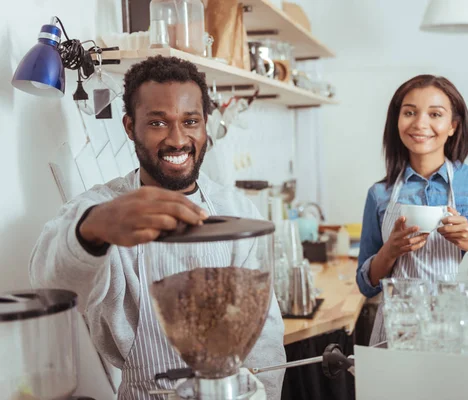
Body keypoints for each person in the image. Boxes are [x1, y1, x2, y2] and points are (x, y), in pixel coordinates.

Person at [29, 56, 286, 399]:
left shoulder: (236, 210)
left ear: (205, 124)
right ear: (129, 126)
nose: (177, 139)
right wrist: (93, 229)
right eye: (157, 123)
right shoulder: (102, 209)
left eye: (190, 121)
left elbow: (264, 338)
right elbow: (50, 282)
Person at [356, 74, 468, 345]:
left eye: (435, 114)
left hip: (465, 331)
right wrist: (390, 251)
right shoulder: (379, 195)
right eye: (409, 112)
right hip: (398, 333)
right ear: (397, 122)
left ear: (453, 125)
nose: (420, 124)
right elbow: (365, 283)